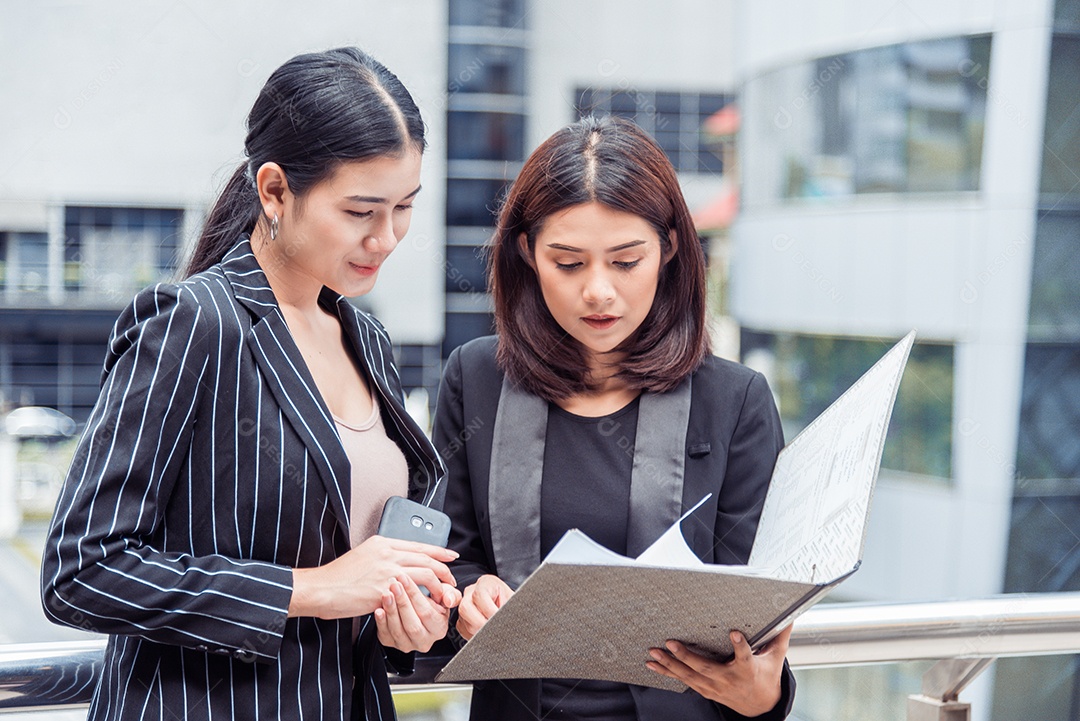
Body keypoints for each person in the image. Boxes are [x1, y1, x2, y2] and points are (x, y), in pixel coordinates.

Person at [40, 47, 460, 721]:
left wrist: (405, 624)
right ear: (274, 190)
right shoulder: (192, 322)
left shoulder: (367, 338)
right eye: (361, 211)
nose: (387, 238)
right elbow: (82, 571)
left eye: (404, 207)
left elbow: (358, 578)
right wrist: (310, 589)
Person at [433, 115, 795, 720]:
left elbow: (755, 614)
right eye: (568, 264)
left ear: (670, 249)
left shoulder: (734, 402)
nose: (598, 292)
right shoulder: (476, 380)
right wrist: (469, 594)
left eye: (626, 262)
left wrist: (766, 696)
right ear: (526, 253)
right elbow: (449, 557)